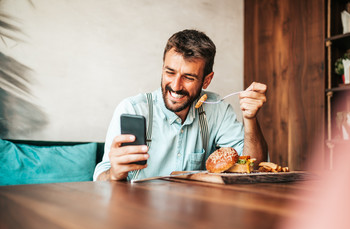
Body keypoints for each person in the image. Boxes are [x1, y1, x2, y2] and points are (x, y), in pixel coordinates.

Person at [94, 29, 268, 181]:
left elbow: (252, 166)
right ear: (163, 69)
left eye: (189, 77)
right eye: (170, 72)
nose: (176, 86)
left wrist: (250, 118)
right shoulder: (133, 109)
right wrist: (114, 174)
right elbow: (100, 179)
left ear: (206, 80)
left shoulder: (217, 110)